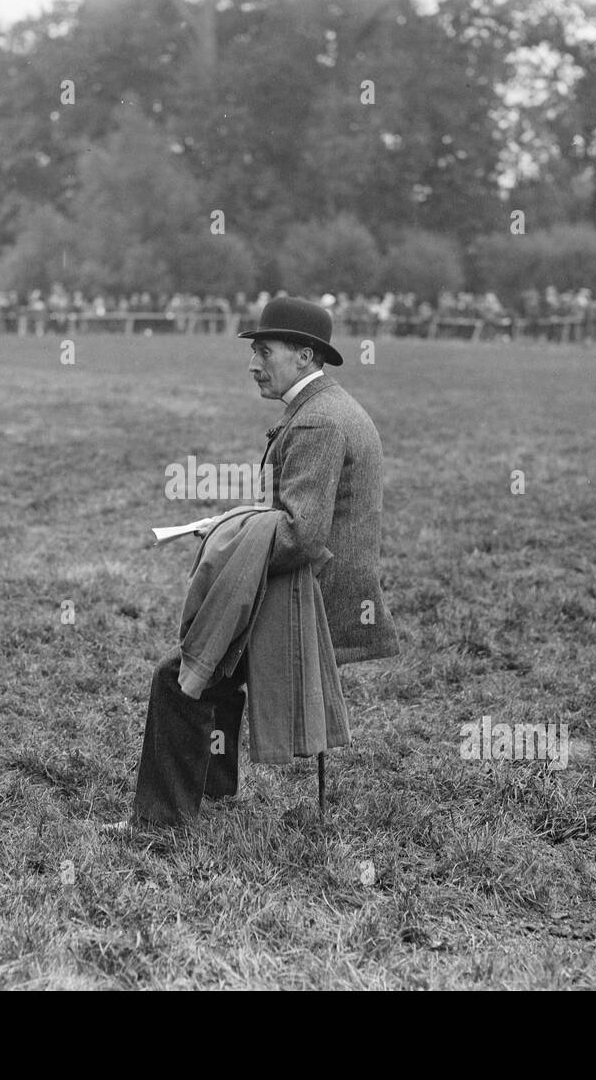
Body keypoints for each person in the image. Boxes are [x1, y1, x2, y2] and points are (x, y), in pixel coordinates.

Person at [117, 297, 401, 830]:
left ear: (303, 356)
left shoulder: (317, 424)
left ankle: (159, 823)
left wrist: (229, 531)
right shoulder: (329, 407)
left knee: (181, 677)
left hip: (308, 599)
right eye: (253, 351)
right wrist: (241, 519)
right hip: (317, 586)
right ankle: (212, 792)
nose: (253, 364)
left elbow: (299, 534)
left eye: (264, 351)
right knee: (215, 673)